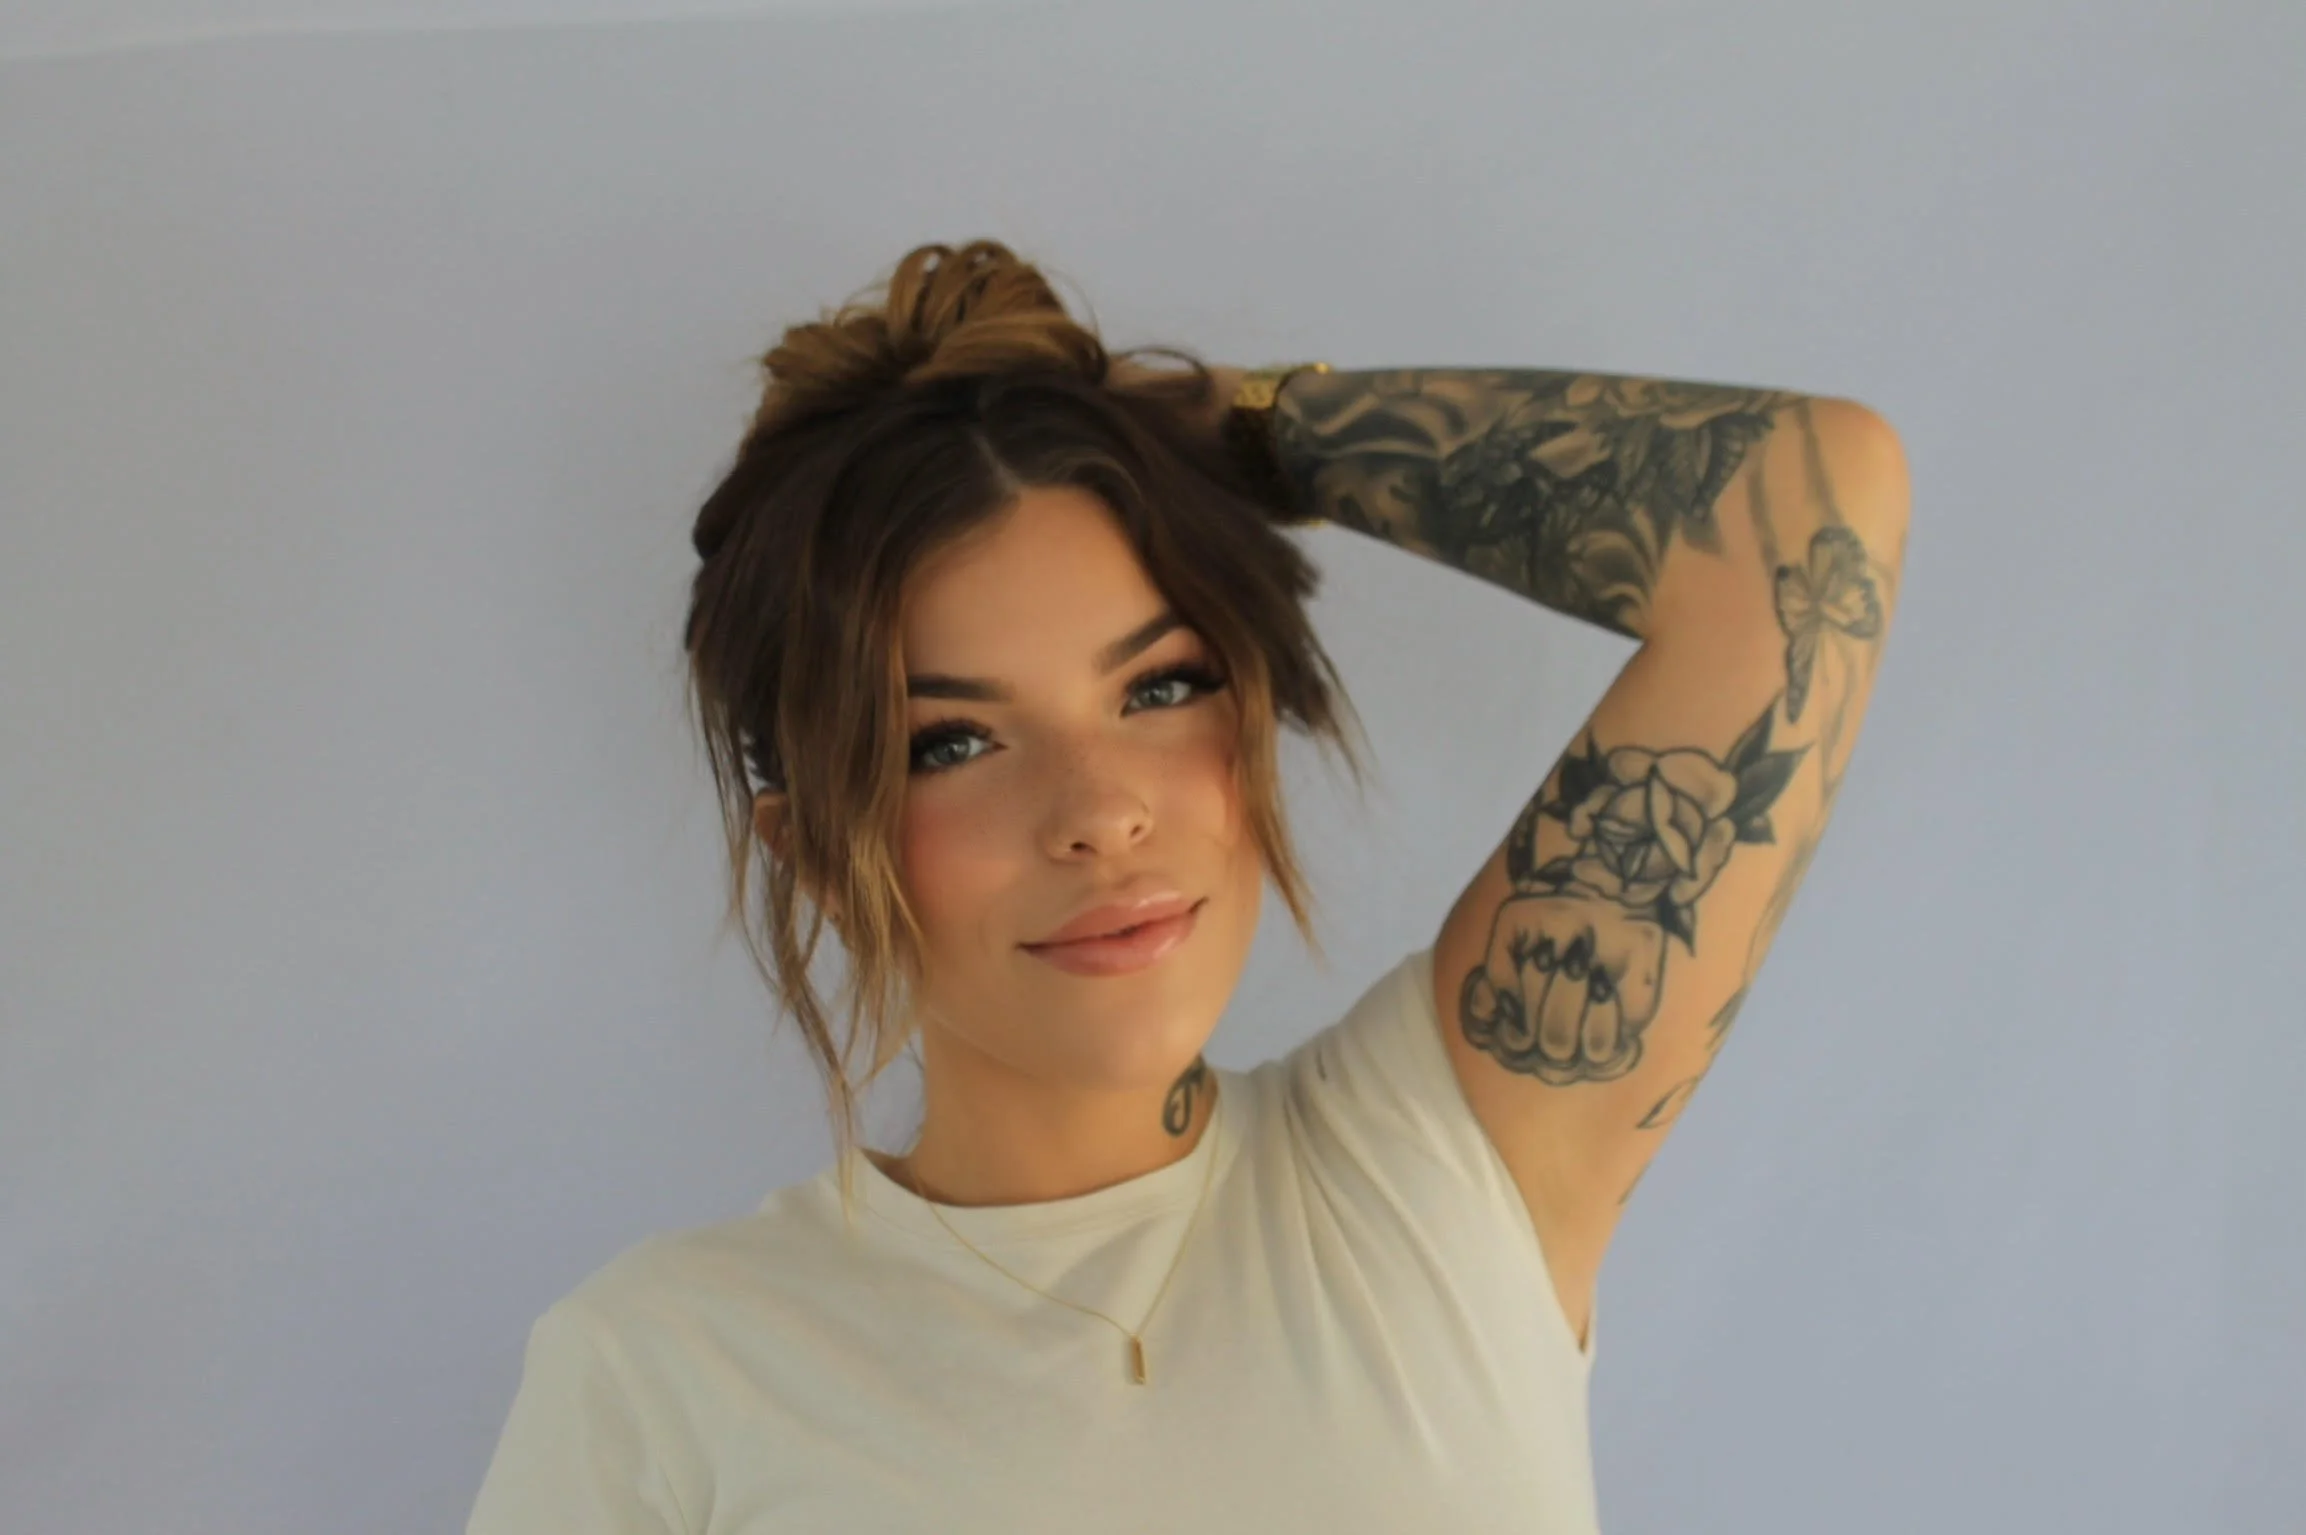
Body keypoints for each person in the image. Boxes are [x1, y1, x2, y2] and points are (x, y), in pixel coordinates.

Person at [466, 240, 1911, 1533]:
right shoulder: (662, 1373)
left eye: (1159, 686)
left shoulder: (1451, 1161)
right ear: (816, 857)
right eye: (950, 742)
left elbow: (1811, 511)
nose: (1101, 811)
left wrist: (1245, 440)